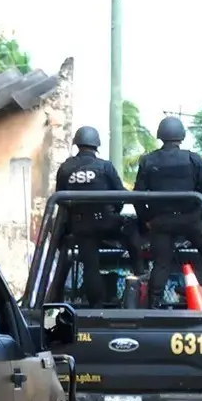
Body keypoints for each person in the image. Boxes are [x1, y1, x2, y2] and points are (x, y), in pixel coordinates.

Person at [133, 116, 202, 308]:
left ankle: (153, 306)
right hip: (191, 220)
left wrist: (147, 220)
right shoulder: (193, 159)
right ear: (181, 136)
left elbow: (137, 196)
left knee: (162, 264)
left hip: (161, 222)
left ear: (160, 135)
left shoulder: (148, 161)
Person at [54, 125, 143, 307]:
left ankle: (96, 306)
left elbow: (60, 198)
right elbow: (120, 195)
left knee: (91, 267)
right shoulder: (104, 166)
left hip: (80, 227)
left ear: (77, 143)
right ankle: (140, 272)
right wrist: (113, 213)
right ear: (96, 145)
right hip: (106, 222)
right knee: (132, 230)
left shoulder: (66, 168)